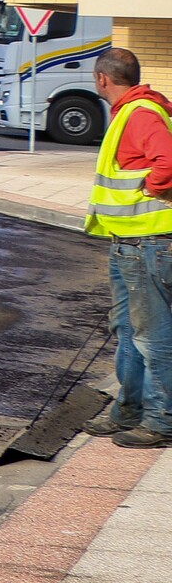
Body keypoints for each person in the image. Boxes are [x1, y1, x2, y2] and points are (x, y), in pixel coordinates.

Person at [78, 47, 172, 449]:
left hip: (148, 244)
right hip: (128, 243)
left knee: (154, 335)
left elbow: (168, 162)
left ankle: (161, 419)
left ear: (102, 79)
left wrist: (152, 189)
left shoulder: (141, 115)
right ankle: (129, 410)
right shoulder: (133, 113)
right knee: (129, 331)